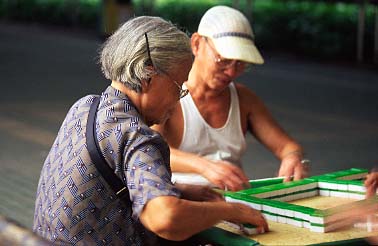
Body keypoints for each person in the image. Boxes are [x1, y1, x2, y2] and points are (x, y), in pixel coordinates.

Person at [33, 16, 268, 245]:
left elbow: (109, 185)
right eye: (179, 88)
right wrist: (227, 210)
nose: (178, 100)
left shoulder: (85, 107)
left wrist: (178, 191)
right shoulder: (138, 136)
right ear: (148, 75)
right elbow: (165, 219)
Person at [152, 5, 309, 192]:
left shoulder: (244, 99)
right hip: (179, 199)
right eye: (223, 60)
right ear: (196, 44)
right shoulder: (169, 94)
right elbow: (151, 152)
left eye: (241, 63)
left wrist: (293, 157)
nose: (232, 71)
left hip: (233, 204)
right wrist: (205, 166)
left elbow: (287, 146)